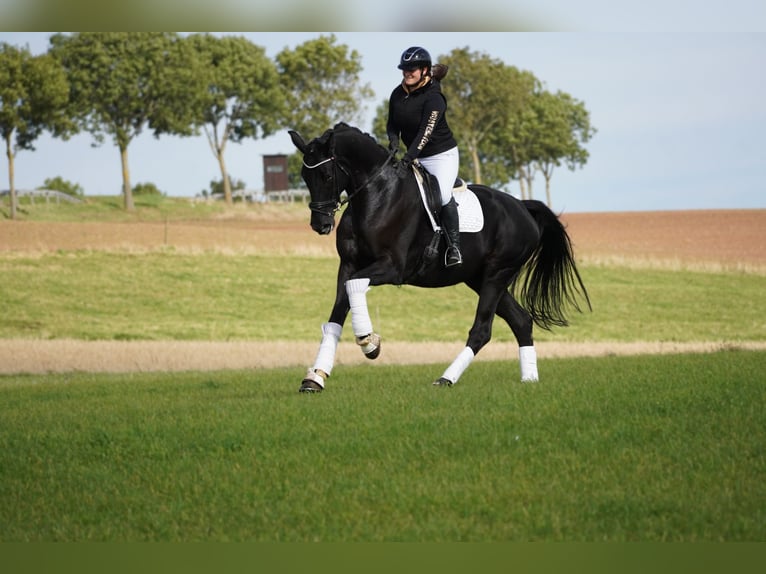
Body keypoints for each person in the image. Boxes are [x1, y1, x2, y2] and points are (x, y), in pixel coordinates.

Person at [386, 46, 462, 267]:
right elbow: (392, 124)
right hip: (415, 155)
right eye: (405, 69)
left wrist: (407, 158)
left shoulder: (434, 98)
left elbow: (424, 134)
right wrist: (393, 143)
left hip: (441, 157)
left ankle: (454, 247)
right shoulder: (397, 93)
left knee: (443, 196)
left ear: (425, 70)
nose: (407, 73)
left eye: (412, 69)